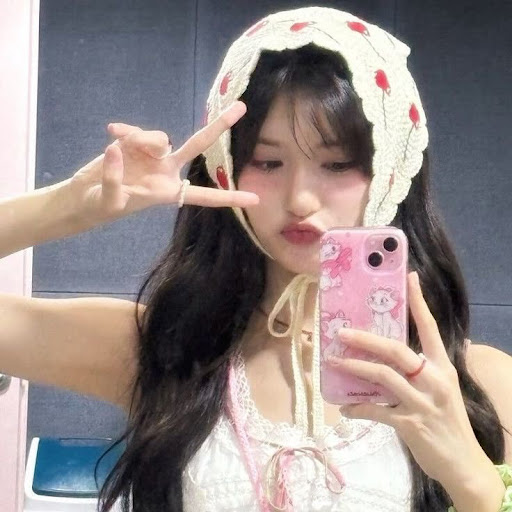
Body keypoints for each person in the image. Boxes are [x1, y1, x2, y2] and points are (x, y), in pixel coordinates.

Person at [1, 6, 511, 512]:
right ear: (225, 167)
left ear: (392, 172)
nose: (300, 198)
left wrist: (474, 483)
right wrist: (71, 205)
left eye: (337, 164)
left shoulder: (481, 383)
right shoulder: (164, 349)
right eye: (267, 162)